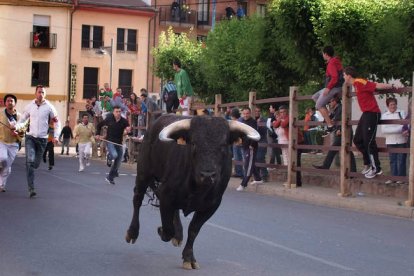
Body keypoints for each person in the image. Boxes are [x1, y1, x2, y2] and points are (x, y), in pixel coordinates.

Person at [343, 66, 394, 179]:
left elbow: (376, 85)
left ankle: (377, 168)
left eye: (344, 75)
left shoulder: (360, 82)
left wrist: (391, 86)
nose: (343, 77)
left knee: (369, 141)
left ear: (349, 76)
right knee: (357, 140)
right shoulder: (355, 85)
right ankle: (368, 163)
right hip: (366, 114)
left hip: (372, 113)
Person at [16, 85, 60, 198]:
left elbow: (56, 122)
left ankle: (31, 165)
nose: (41, 94)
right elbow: (22, 120)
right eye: (39, 92)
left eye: (43, 92)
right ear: (35, 93)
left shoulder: (50, 107)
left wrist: (56, 136)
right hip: (30, 137)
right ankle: (31, 188)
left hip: (42, 140)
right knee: (30, 161)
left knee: (35, 164)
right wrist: (17, 127)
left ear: (45, 94)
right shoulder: (30, 106)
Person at [312, 96, 356, 172]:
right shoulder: (336, 109)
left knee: (341, 150)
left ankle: (326, 166)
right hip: (342, 132)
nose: (330, 103)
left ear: (335, 101)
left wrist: (339, 129)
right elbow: (329, 118)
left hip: (344, 132)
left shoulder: (340, 108)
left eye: (331, 101)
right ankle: (352, 171)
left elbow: (344, 119)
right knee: (347, 150)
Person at [311, 46, 344, 136]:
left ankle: (330, 126)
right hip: (333, 87)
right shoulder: (334, 61)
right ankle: (330, 115)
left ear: (325, 54)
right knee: (315, 97)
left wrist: (328, 88)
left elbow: (335, 77)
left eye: (323, 53)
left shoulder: (331, 63)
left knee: (318, 105)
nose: (322, 55)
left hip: (334, 87)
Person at [96, 106, 130, 185]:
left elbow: (128, 130)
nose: (118, 113)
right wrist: (97, 134)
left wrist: (128, 130)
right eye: (116, 112)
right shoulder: (109, 119)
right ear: (113, 112)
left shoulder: (124, 121)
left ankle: (110, 177)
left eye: (119, 112)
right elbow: (99, 125)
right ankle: (109, 156)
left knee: (118, 162)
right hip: (110, 141)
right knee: (114, 155)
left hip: (119, 143)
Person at [381, 97, 407, 184]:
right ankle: (393, 178)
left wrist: (392, 128)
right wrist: (398, 128)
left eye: (394, 104)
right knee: (392, 160)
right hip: (390, 141)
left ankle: (401, 178)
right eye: (391, 104)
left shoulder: (402, 113)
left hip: (401, 140)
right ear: (388, 106)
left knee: (401, 160)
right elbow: (384, 130)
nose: (393, 106)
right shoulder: (384, 115)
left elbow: (405, 126)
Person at [236, 107, 263, 191]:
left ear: (250, 113)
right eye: (244, 113)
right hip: (244, 145)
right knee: (250, 163)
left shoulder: (253, 122)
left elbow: (255, 134)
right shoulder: (242, 121)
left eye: (247, 113)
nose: (245, 115)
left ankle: (243, 184)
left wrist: (252, 145)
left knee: (247, 165)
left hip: (251, 147)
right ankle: (258, 179)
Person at [0, 94, 21, 193]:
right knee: (3, 158)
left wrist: (18, 133)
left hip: (14, 144)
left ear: (15, 103)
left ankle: (1, 185)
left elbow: (23, 130)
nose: (9, 102)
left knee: (7, 167)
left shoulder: (20, 116)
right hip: (2, 142)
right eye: (8, 101)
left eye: (12, 101)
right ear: (5, 103)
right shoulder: (0, 114)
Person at [254, 106, 268, 181]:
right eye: (255, 111)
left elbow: (264, 131)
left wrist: (259, 124)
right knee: (255, 158)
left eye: (258, 111)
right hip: (254, 141)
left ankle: (264, 175)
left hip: (262, 140)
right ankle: (258, 176)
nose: (257, 112)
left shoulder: (263, 120)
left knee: (260, 157)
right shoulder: (252, 120)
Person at [230, 108, 243, 178]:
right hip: (237, 140)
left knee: (238, 157)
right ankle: (239, 172)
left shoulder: (237, 121)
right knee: (238, 157)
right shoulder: (239, 120)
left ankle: (240, 172)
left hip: (238, 140)